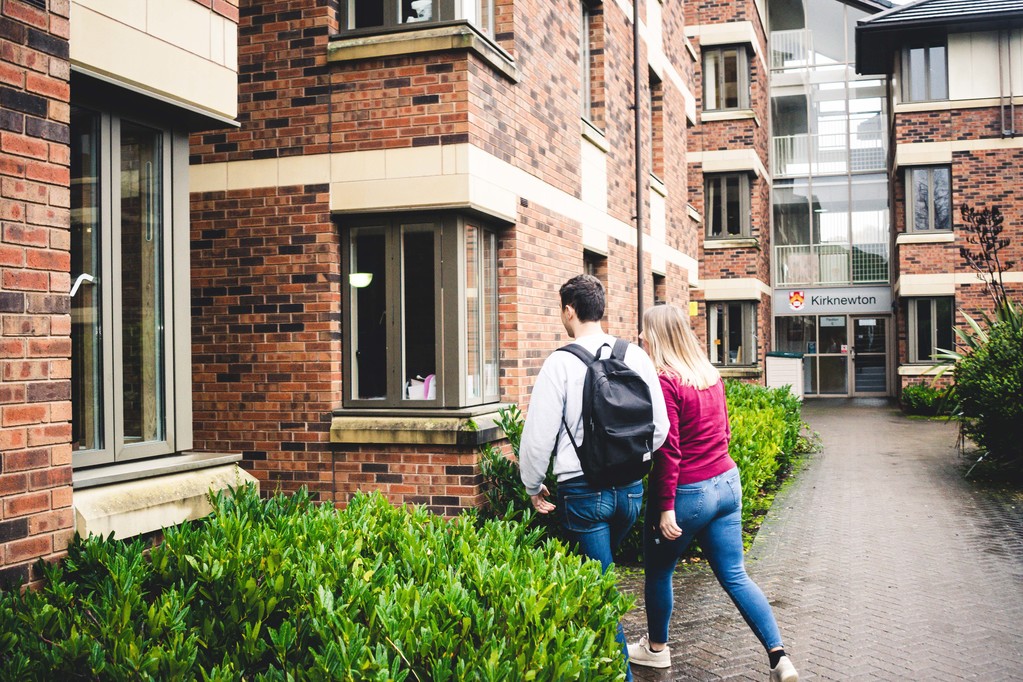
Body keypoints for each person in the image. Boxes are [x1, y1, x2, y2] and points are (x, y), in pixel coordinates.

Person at [628, 304, 799, 682]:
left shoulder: (665, 381)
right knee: (736, 575)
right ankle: (779, 657)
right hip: (726, 483)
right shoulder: (708, 375)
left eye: (645, 331)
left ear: (659, 336)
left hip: (687, 493)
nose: (640, 337)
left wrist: (666, 507)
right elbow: (725, 434)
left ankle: (656, 650)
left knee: (658, 573)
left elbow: (669, 450)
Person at [519, 274, 669, 680]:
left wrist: (532, 486)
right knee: (598, 583)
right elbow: (660, 428)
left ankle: (619, 675)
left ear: (569, 310)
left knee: (600, 593)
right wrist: (632, 463)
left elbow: (537, 438)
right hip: (631, 495)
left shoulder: (560, 362)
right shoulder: (635, 355)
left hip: (584, 495)